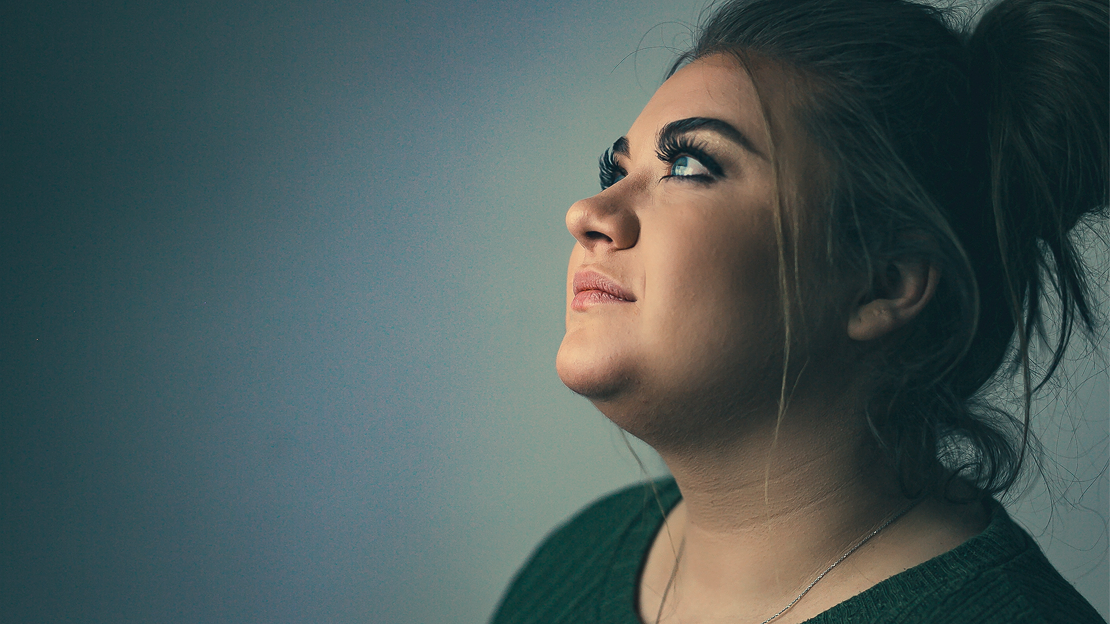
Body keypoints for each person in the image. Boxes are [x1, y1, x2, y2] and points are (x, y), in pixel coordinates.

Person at [492, 0, 1108, 622]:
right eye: (616, 169)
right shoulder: (573, 563)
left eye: (687, 165)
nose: (586, 212)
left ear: (883, 284)